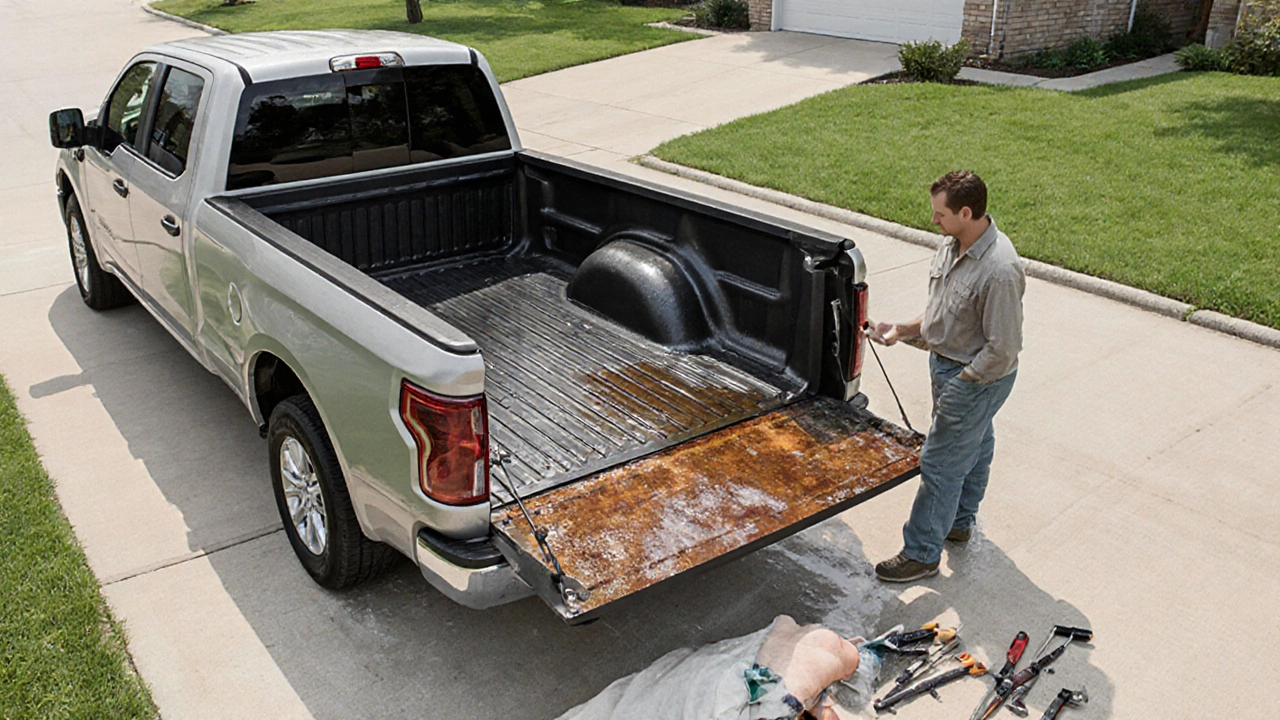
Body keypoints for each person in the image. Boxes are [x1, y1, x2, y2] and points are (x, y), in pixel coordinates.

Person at [867, 170, 1025, 583]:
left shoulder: (999, 270)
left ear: (967, 213)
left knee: (940, 464)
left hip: (976, 379)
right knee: (977, 443)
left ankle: (921, 553)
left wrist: (964, 383)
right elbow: (943, 315)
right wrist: (901, 331)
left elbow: (1003, 348)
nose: (934, 220)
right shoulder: (952, 246)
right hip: (953, 368)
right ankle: (958, 521)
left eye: (941, 214)